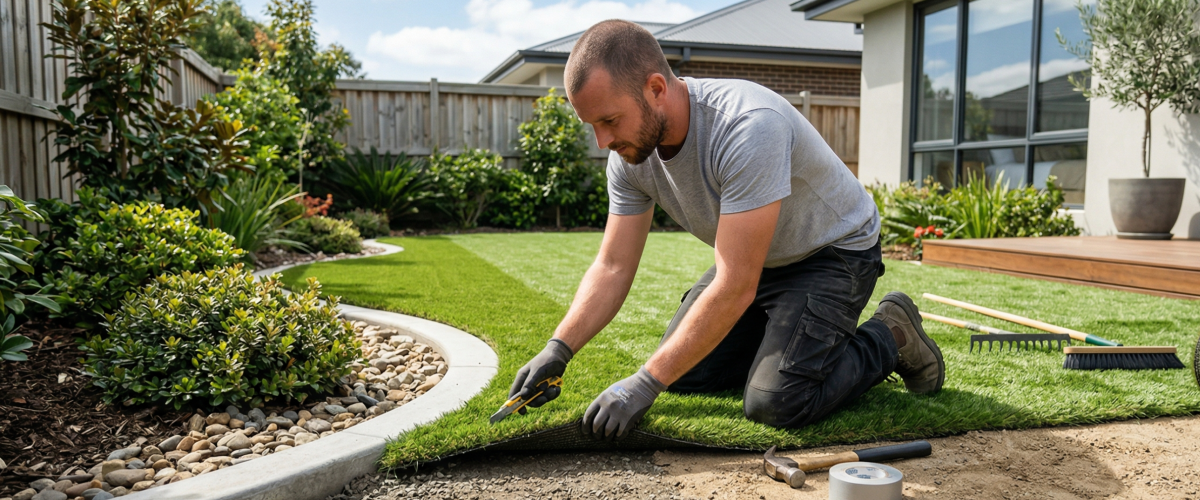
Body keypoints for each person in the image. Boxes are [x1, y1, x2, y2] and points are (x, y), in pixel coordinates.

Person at [507, 19, 945, 440]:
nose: (603, 142)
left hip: (832, 254)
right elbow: (613, 265)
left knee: (775, 402)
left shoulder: (747, 126)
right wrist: (559, 348)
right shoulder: (629, 158)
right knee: (685, 374)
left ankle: (892, 333)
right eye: (593, 127)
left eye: (609, 121)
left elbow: (735, 284)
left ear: (656, 88)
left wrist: (642, 384)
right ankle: (783, 342)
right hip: (759, 258)